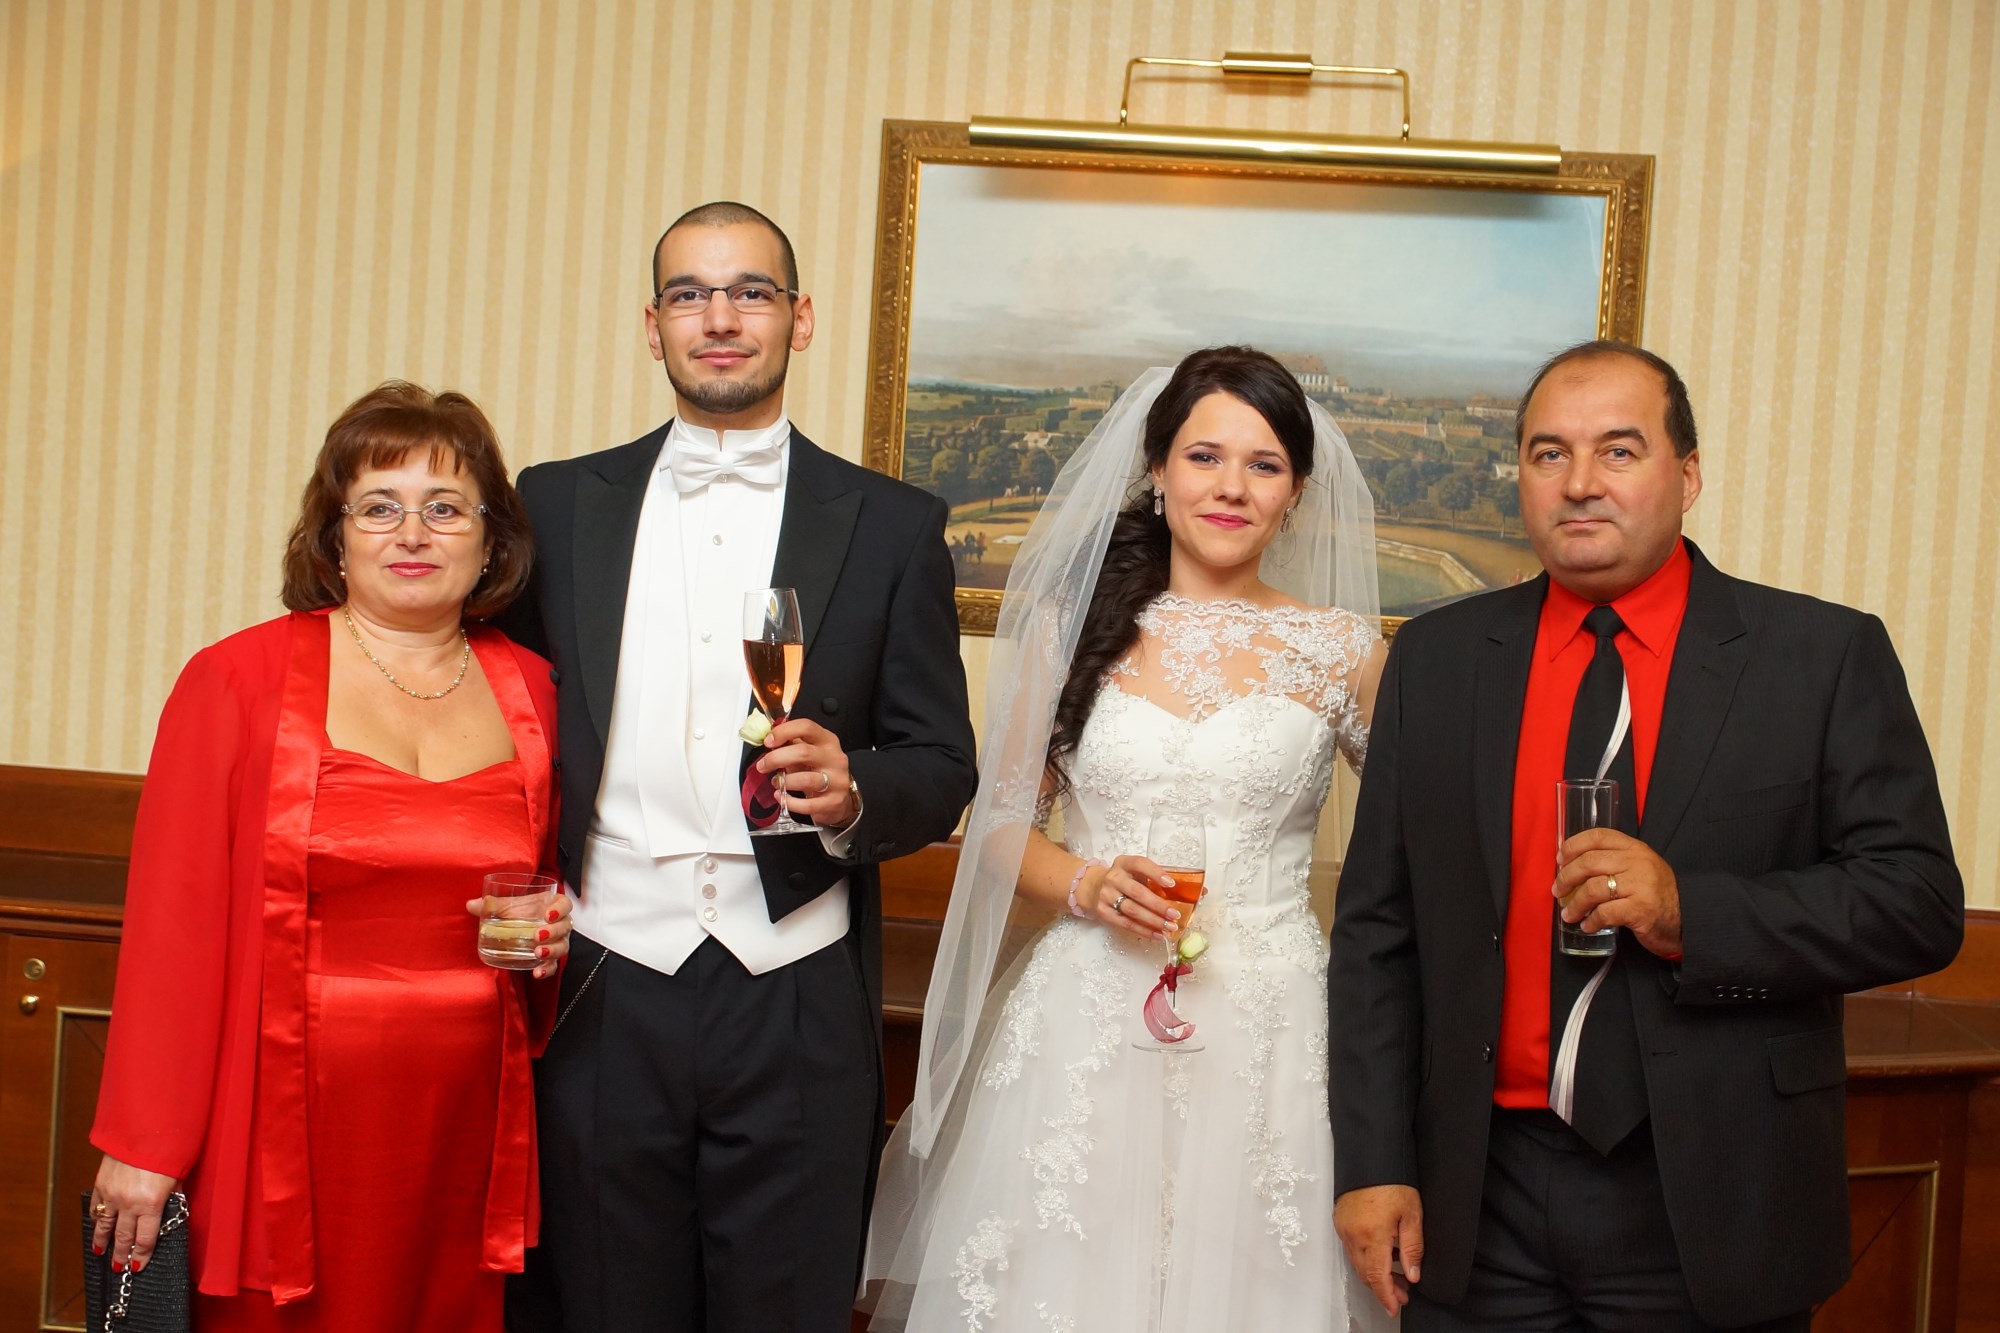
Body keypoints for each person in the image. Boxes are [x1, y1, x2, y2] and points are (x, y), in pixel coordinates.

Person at [1329, 341, 1964, 1331]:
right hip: (1476, 1196)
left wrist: (1689, 912)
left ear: (1687, 475)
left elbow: (1916, 902)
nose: (1579, 482)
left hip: (1711, 1194)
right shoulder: (1436, 660)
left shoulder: (1819, 656)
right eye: (1548, 453)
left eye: (1617, 451)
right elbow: (1377, 928)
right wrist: (1371, 1162)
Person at [498, 201, 976, 1332]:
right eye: (690, 294)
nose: (720, 318)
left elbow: (943, 760)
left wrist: (857, 791)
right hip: (604, 975)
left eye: (750, 292)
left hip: (797, 983)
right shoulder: (554, 504)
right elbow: (498, 716)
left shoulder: (892, 524)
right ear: (651, 324)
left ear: (799, 319)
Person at [863, 346, 1393, 1332]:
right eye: (1204, 456)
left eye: (1264, 464)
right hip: (1088, 1016)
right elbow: (998, 828)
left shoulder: (1343, 652)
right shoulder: (1071, 628)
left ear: (1295, 491)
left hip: (1270, 1021)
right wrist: (1087, 883)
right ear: (1156, 468)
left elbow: (1414, 837)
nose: (1230, 486)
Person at [88, 382, 574, 1330]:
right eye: (379, 507)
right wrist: (145, 1141)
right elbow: (171, 930)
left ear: (491, 541)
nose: (413, 534)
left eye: (445, 508)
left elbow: (556, 887)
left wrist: (554, 929)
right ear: (334, 535)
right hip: (284, 1114)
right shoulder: (238, 680)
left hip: (468, 1125)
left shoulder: (538, 690)